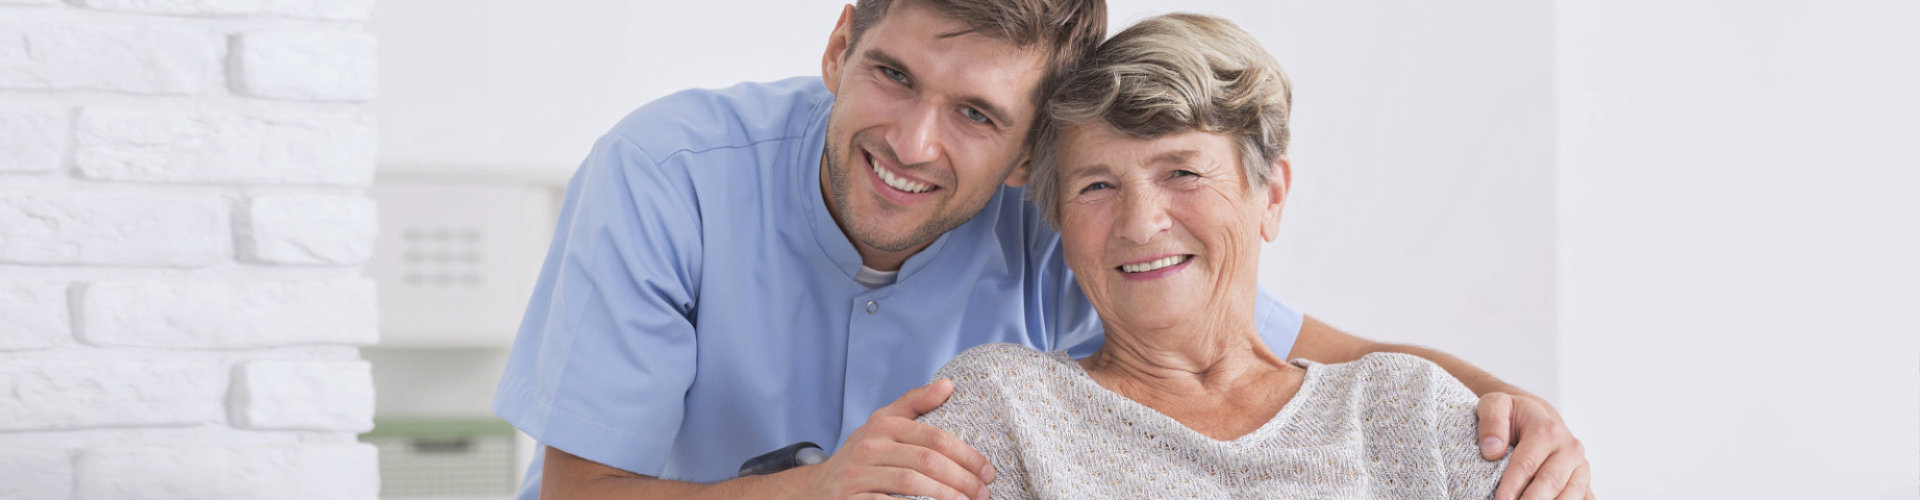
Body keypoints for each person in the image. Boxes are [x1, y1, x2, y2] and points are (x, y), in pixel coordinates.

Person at [493, 1, 1590, 499]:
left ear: (1028, 149)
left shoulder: (1072, 217)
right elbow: (580, 493)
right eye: (893, 76)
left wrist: (1521, 414)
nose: (914, 143)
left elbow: (1278, 350)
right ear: (840, 44)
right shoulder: (665, 173)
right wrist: (820, 491)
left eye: (977, 114)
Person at [915, 13, 1524, 498]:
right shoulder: (998, 411)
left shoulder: (1411, 409)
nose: (1142, 222)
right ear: (1059, 222)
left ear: (1272, 196)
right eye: (1096, 185)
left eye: (1182, 172)